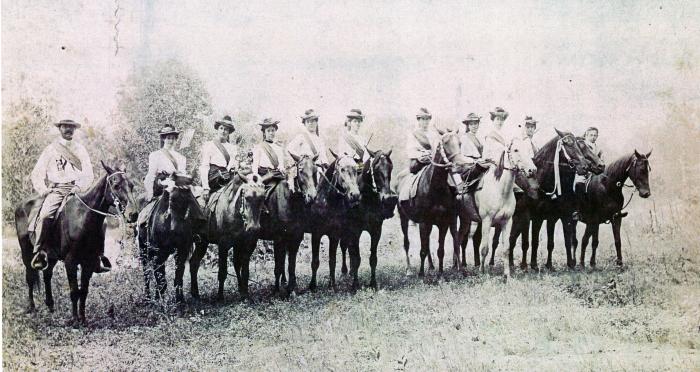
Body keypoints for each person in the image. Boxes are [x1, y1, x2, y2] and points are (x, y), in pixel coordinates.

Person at [29, 119, 98, 271]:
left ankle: (97, 254)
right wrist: (43, 189)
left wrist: (79, 186)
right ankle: (40, 251)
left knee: (95, 217)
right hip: (57, 190)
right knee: (46, 215)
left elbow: (89, 174)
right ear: (60, 128)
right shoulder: (50, 149)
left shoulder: (80, 149)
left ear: (75, 130)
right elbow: (37, 173)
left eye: (72, 127)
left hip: (76, 190)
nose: (69, 130)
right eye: (65, 126)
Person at [137, 125, 188, 230]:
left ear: (176, 139)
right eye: (168, 138)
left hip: (177, 186)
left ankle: (197, 229)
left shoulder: (181, 158)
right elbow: (151, 175)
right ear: (164, 138)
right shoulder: (155, 155)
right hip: (161, 186)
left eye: (173, 138)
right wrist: (150, 192)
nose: (171, 140)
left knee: (192, 200)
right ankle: (143, 226)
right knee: (148, 209)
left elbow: (182, 174)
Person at [199, 115, 239, 202]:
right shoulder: (209, 145)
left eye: (226, 129)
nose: (223, 131)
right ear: (217, 129)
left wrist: (234, 168)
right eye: (221, 128)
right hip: (212, 177)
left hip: (227, 177)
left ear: (229, 132)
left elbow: (233, 165)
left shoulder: (233, 148)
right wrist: (206, 187)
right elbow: (204, 167)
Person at [251, 118, 287, 184]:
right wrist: (256, 175)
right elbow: (255, 164)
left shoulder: (278, 148)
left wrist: (281, 168)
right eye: (268, 131)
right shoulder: (259, 147)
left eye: (273, 130)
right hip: (264, 176)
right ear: (264, 133)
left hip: (276, 175)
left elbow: (281, 164)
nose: (271, 133)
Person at [406, 107, 440, 174]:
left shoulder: (434, 134)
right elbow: (410, 150)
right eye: (423, 119)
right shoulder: (413, 134)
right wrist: (421, 155)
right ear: (419, 120)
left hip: (433, 161)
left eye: (427, 119)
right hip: (419, 162)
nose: (426, 121)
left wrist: (432, 154)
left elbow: (436, 148)